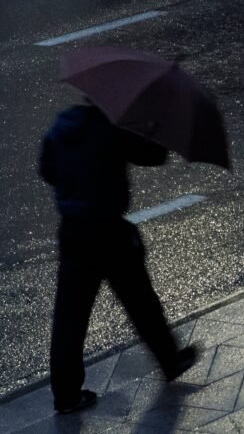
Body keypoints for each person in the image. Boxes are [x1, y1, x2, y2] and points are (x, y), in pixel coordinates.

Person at [39, 102, 197, 414]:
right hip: (109, 233)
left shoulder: (63, 125)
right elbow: (155, 155)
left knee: (70, 317)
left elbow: (47, 170)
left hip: (73, 232)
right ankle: (170, 360)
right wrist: (154, 124)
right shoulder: (112, 129)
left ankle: (66, 395)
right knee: (141, 301)